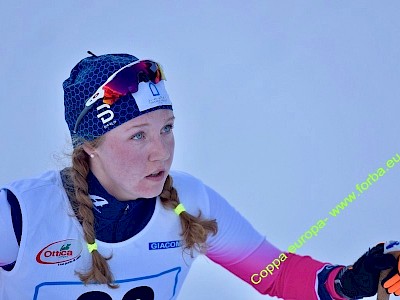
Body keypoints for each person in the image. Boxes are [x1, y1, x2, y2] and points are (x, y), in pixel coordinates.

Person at [0, 52, 399, 300]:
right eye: (137, 135)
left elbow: (274, 275)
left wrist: (349, 282)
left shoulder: (189, 201)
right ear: (90, 144)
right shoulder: (22, 214)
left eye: (167, 128)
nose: (161, 151)